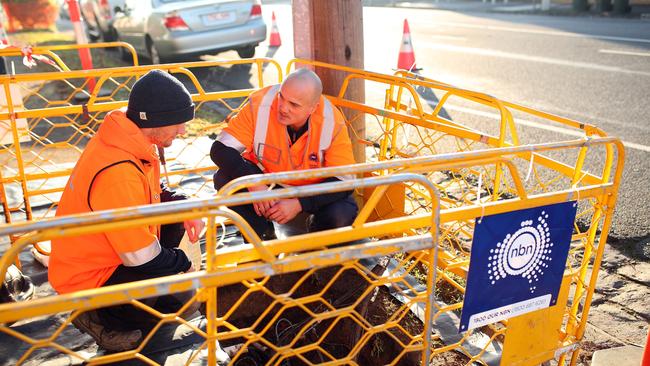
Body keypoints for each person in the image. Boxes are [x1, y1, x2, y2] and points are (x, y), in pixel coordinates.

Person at [49, 69, 204, 352]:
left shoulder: (131, 139)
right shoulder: (118, 171)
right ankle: (96, 316)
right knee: (155, 281)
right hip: (89, 279)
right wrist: (184, 264)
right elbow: (140, 259)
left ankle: (154, 297)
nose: (183, 131)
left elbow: (149, 192)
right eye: (179, 123)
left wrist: (184, 203)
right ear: (156, 119)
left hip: (112, 253)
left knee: (176, 219)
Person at [210, 68, 358, 240]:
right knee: (224, 179)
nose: (283, 108)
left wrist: (300, 203)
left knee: (341, 215)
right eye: (281, 96)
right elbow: (220, 149)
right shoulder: (261, 103)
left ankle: (314, 243)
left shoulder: (331, 121)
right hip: (268, 183)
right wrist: (255, 184)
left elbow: (345, 181)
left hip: (311, 190)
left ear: (313, 108)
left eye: (294, 105)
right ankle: (263, 236)